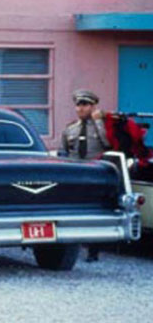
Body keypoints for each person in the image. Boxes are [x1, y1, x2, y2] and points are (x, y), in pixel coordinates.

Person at [60, 89, 111, 262]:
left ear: (93, 106)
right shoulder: (70, 128)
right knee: (73, 211)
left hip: (95, 174)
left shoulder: (102, 125)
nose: (80, 109)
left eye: (85, 105)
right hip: (76, 174)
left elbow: (108, 144)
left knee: (94, 212)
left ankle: (93, 251)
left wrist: (98, 123)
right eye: (78, 105)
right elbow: (66, 151)